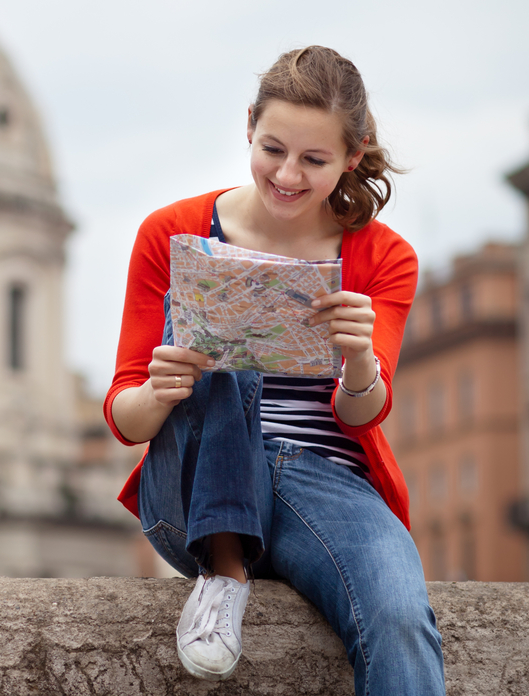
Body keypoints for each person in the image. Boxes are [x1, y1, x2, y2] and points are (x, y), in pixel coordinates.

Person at [103, 46, 445, 694]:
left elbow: (363, 412)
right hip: (192, 487)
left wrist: (360, 357)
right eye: (272, 149)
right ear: (250, 127)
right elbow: (123, 416)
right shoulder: (170, 230)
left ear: (351, 156)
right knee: (229, 307)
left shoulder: (384, 256)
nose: (287, 175)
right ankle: (224, 569)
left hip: (323, 480)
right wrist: (160, 390)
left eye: (313, 160)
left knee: (400, 615)